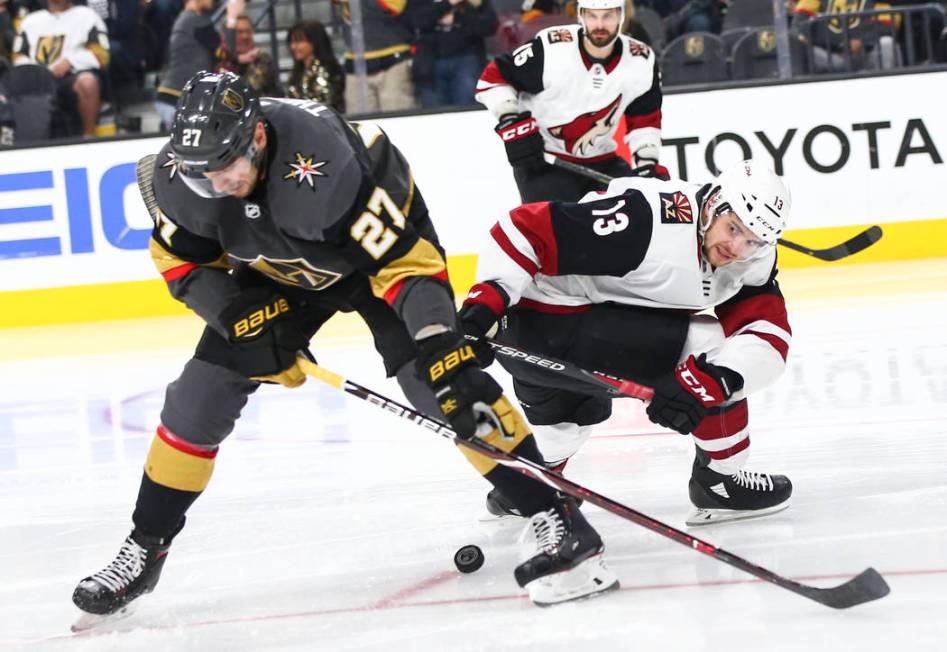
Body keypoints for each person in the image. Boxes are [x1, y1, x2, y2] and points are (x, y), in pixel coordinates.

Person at [69, 71, 618, 627]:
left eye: (226, 168)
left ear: (256, 137)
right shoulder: (184, 178)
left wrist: (437, 342)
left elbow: (405, 263)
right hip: (278, 269)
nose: (217, 183)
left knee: (443, 387)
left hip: (374, 263)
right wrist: (235, 316)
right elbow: (181, 262)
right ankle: (146, 545)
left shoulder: (326, 169)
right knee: (198, 397)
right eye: (203, 175)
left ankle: (556, 512)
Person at [459, 160, 794, 526]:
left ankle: (524, 487)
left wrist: (712, 381)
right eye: (733, 229)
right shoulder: (647, 222)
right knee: (708, 347)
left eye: (752, 240)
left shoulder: (752, 259)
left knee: (569, 419)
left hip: (550, 336)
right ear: (714, 204)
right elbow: (522, 229)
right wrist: (482, 306)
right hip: (546, 325)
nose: (737, 246)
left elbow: (767, 333)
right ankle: (719, 483)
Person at [475, 0, 667, 204]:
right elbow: (494, 77)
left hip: (603, 162)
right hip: (543, 160)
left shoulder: (641, 60)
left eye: (607, 16)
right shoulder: (552, 48)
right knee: (554, 232)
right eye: (592, 16)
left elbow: (645, 120)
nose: (599, 25)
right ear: (581, 15)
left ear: (621, 16)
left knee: (638, 219)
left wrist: (647, 164)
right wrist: (511, 120)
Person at [10, 0, 109, 137]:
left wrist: (71, 61)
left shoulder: (87, 16)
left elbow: (101, 55)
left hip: (70, 77)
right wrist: (37, 70)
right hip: (37, 82)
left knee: (88, 82)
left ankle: (88, 137)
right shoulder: (30, 21)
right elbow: (17, 56)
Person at [332, 0, 416, 113]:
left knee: (397, 119)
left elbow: (393, 8)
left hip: (392, 61)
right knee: (359, 124)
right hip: (356, 63)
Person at [412, 0, 499, 109]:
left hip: (467, 59)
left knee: (468, 110)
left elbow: (490, 26)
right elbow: (414, 22)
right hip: (430, 64)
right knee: (433, 115)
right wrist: (448, 3)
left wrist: (458, 18)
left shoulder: (475, 3)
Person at [155, 0, 219, 129]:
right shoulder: (194, 20)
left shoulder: (185, 20)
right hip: (176, 97)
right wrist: (232, 19)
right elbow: (224, 51)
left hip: (173, 96)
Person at [285, 19, 344, 112]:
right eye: (292, 42)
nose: (293, 47)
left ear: (314, 41)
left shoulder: (327, 71)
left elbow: (327, 105)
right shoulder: (298, 72)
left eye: (299, 41)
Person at [218, 13, 282, 97]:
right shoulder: (220, 60)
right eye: (239, 32)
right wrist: (237, 59)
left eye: (248, 31)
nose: (245, 36)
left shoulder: (261, 58)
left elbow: (249, 91)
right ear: (227, 36)